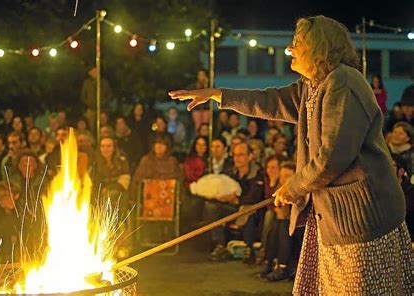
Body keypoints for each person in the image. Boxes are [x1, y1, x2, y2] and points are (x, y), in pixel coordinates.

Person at [170, 15, 412, 294]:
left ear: (318, 46)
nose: (289, 49)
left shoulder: (343, 83)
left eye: (297, 42)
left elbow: (334, 156)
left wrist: (294, 186)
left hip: (362, 222)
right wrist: (218, 95)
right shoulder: (312, 87)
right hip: (334, 220)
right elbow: (268, 101)